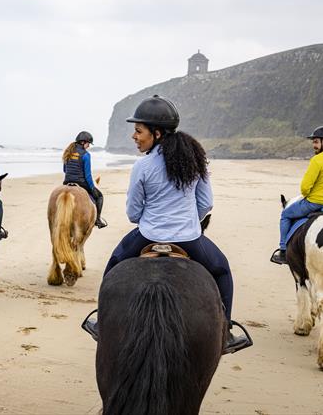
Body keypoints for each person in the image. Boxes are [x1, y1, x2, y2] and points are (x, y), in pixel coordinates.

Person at [87, 95, 250, 354]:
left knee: (115, 263)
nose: (134, 136)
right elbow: (206, 203)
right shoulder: (196, 159)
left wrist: (154, 220)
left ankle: (100, 322)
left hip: (147, 235)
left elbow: (133, 213)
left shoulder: (142, 166)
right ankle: (226, 331)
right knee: (221, 270)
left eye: (138, 131)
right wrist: (186, 223)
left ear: (157, 133)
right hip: (189, 238)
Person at [271, 126, 323, 265]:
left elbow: (305, 187)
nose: (314, 145)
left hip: (314, 202)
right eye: (314, 142)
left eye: (316, 142)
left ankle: (283, 251)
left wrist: (307, 194)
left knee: (286, 214)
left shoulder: (317, 160)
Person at [62, 131, 107, 229]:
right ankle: (97, 220)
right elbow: (87, 175)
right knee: (99, 197)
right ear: (83, 142)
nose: (89, 146)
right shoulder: (86, 155)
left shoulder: (68, 152)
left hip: (66, 182)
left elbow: (65, 170)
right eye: (88, 144)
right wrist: (92, 187)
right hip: (81, 183)